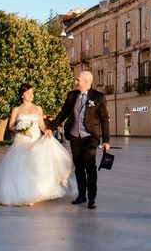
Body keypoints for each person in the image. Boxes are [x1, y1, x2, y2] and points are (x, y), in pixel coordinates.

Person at [0, 84, 75, 206]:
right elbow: (11, 126)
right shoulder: (16, 110)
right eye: (28, 93)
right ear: (22, 95)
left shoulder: (38, 108)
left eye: (32, 92)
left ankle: (34, 193)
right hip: (21, 142)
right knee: (20, 168)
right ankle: (20, 194)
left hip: (35, 141)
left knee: (34, 167)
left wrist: (47, 131)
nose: (31, 95)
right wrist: (20, 130)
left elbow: (41, 125)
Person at [47, 71, 110, 210]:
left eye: (78, 80)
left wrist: (106, 140)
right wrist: (51, 128)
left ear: (87, 82)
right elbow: (62, 114)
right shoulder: (71, 95)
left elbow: (105, 119)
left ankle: (91, 198)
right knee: (79, 167)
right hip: (75, 137)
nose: (75, 82)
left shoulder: (99, 97)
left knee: (90, 166)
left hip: (90, 138)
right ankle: (82, 195)